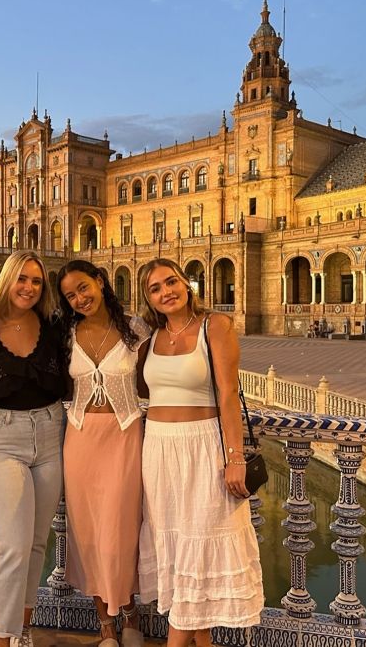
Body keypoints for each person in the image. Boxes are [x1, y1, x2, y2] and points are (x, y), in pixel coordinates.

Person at [137, 258, 263, 647]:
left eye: (171, 282)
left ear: (187, 284)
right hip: (158, 449)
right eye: (155, 288)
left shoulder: (215, 326)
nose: (166, 292)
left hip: (202, 447)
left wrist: (235, 457)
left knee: (199, 547)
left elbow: (227, 395)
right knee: (178, 551)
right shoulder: (149, 339)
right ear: (148, 299)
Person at [0, 250, 67, 647]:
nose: (28, 287)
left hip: (50, 431)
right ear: (5, 280)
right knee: (10, 547)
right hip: (0, 436)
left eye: (36, 281)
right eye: (22, 278)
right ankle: (0, 639)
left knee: (36, 543)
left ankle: (22, 630)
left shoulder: (53, 324)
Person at [56, 260, 149, 647]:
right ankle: (106, 624)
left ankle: (128, 609)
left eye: (83, 287)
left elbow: (159, 376)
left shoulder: (137, 329)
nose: (79, 298)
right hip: (80, 438)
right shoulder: (66, 335)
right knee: (89, 532)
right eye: (70, 296)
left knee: (122, 530)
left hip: (125, 434)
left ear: (100, 280)